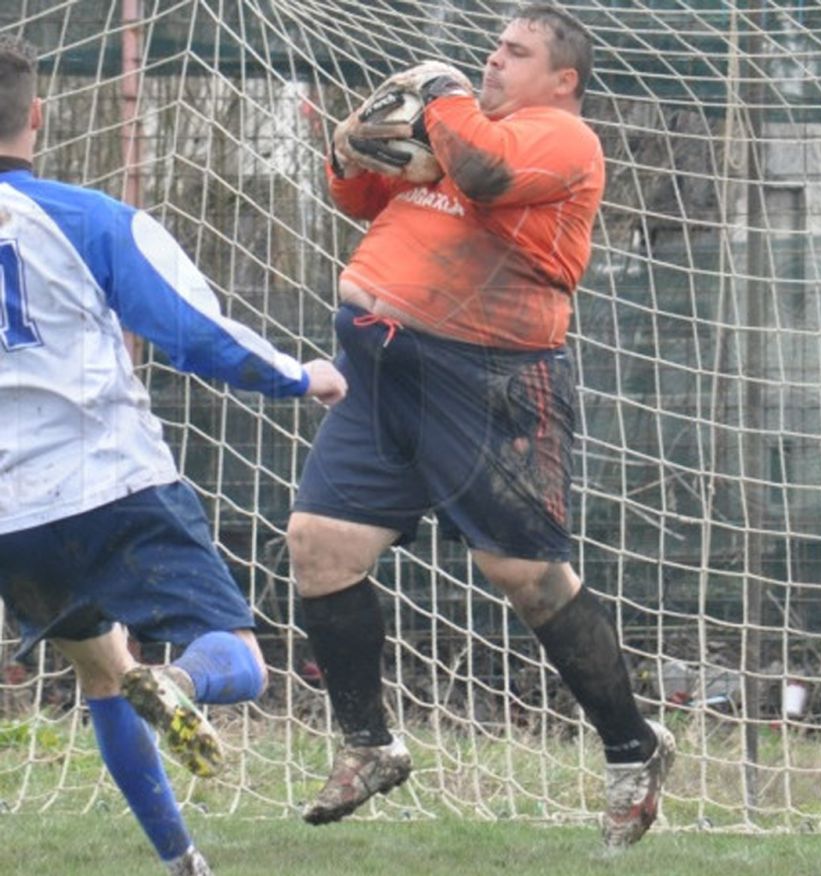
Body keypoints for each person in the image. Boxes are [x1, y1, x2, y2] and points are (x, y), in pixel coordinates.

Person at [288, 3, 674, 850]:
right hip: (383, 372)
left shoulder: (559, 137)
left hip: (490, 381)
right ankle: (370, 744)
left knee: (527, 578)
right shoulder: (456, 133)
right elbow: (356, 196)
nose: (493, 61)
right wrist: (350, 142)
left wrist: (440, 91)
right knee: (318, 544)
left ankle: (633, 749)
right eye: (492, 48)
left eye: (515, 51)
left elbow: (490, 175)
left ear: (561, 79)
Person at [0, 35, 347, 876]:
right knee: (236, 657)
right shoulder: (89, 219)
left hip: (13, 519)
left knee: (100, 670)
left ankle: (181, 861)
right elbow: (193, 333)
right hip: (113, 485)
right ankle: (184, 686)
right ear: (36, 116)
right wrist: (303, 376)